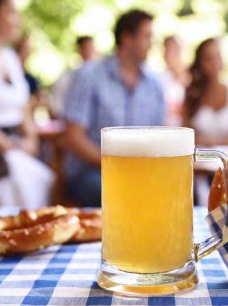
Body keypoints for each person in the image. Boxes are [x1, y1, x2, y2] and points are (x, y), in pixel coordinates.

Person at [63, 10, 165, 207]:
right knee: (127, 193)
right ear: (127, 38)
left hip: (141, 170)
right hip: (91, 171)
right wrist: (118, 165)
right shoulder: (88, 76)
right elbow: (73, 137)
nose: (152, 44)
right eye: (147, 37)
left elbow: (160, 136)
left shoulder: (154, 84)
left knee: (176, 189)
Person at [0, 0, 54, 207]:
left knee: (44, 179)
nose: (18, 20)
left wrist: (31, 139)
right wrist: (11, 148)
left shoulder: (10, 58)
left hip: (14, 148)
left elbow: (22, 108)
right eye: (11, 13)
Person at [182, 37, 228, 146]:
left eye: (217, 56)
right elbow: (184, 136)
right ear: (200, 63)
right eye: (208, 58)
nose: (214, 63)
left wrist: (212, 142)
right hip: (199, 160)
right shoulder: (191, 95)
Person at [50, 35, 98, 119]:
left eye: (92, 48)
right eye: (88, 48)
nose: (91, 51)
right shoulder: (68, 76)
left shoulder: (106, 77)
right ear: (79, 50)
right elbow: (56, 108)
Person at [161, 36, 188, 126]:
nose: (168, 54)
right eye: (166, 50)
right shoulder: (160, 80)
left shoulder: (193, 79)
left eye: (173, 50)